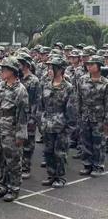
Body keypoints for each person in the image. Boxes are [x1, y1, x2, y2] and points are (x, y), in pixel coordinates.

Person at [0, 57, 29, 202]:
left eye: (5, 69)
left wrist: (20, 135)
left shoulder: (20, 90)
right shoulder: (0, 86)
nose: (2, 71)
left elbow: (23, 115)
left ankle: (14, 188)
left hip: (11, 129)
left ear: (13, 71)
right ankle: (3, 185)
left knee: (13, 160)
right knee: (0, 158)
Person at [38, 56, 77, 187]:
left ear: (60, 70)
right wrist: (41, 121)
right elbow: (41, 106)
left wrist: (68, 129)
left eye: (52, 68)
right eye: (49, 67)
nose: (49, 70)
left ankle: (59, 177)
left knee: (59, 153)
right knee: (48, 151)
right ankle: (51, 175)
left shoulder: (68, 87)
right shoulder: (45, 85)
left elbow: (71, 110)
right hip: (47, 125)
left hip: (61, 126)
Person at [77, 55, 108, 177]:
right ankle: (87, 165)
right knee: (86, 141)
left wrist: (106, 121)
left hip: (99, 118)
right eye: (88, 64)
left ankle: (98, 166)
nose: (89, 66)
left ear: (99, 66)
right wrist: (78, 114)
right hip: (85, 116)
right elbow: (78, 98)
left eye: (92, 64)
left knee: (99, 143)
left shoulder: (105, 83)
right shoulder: (82, 80)